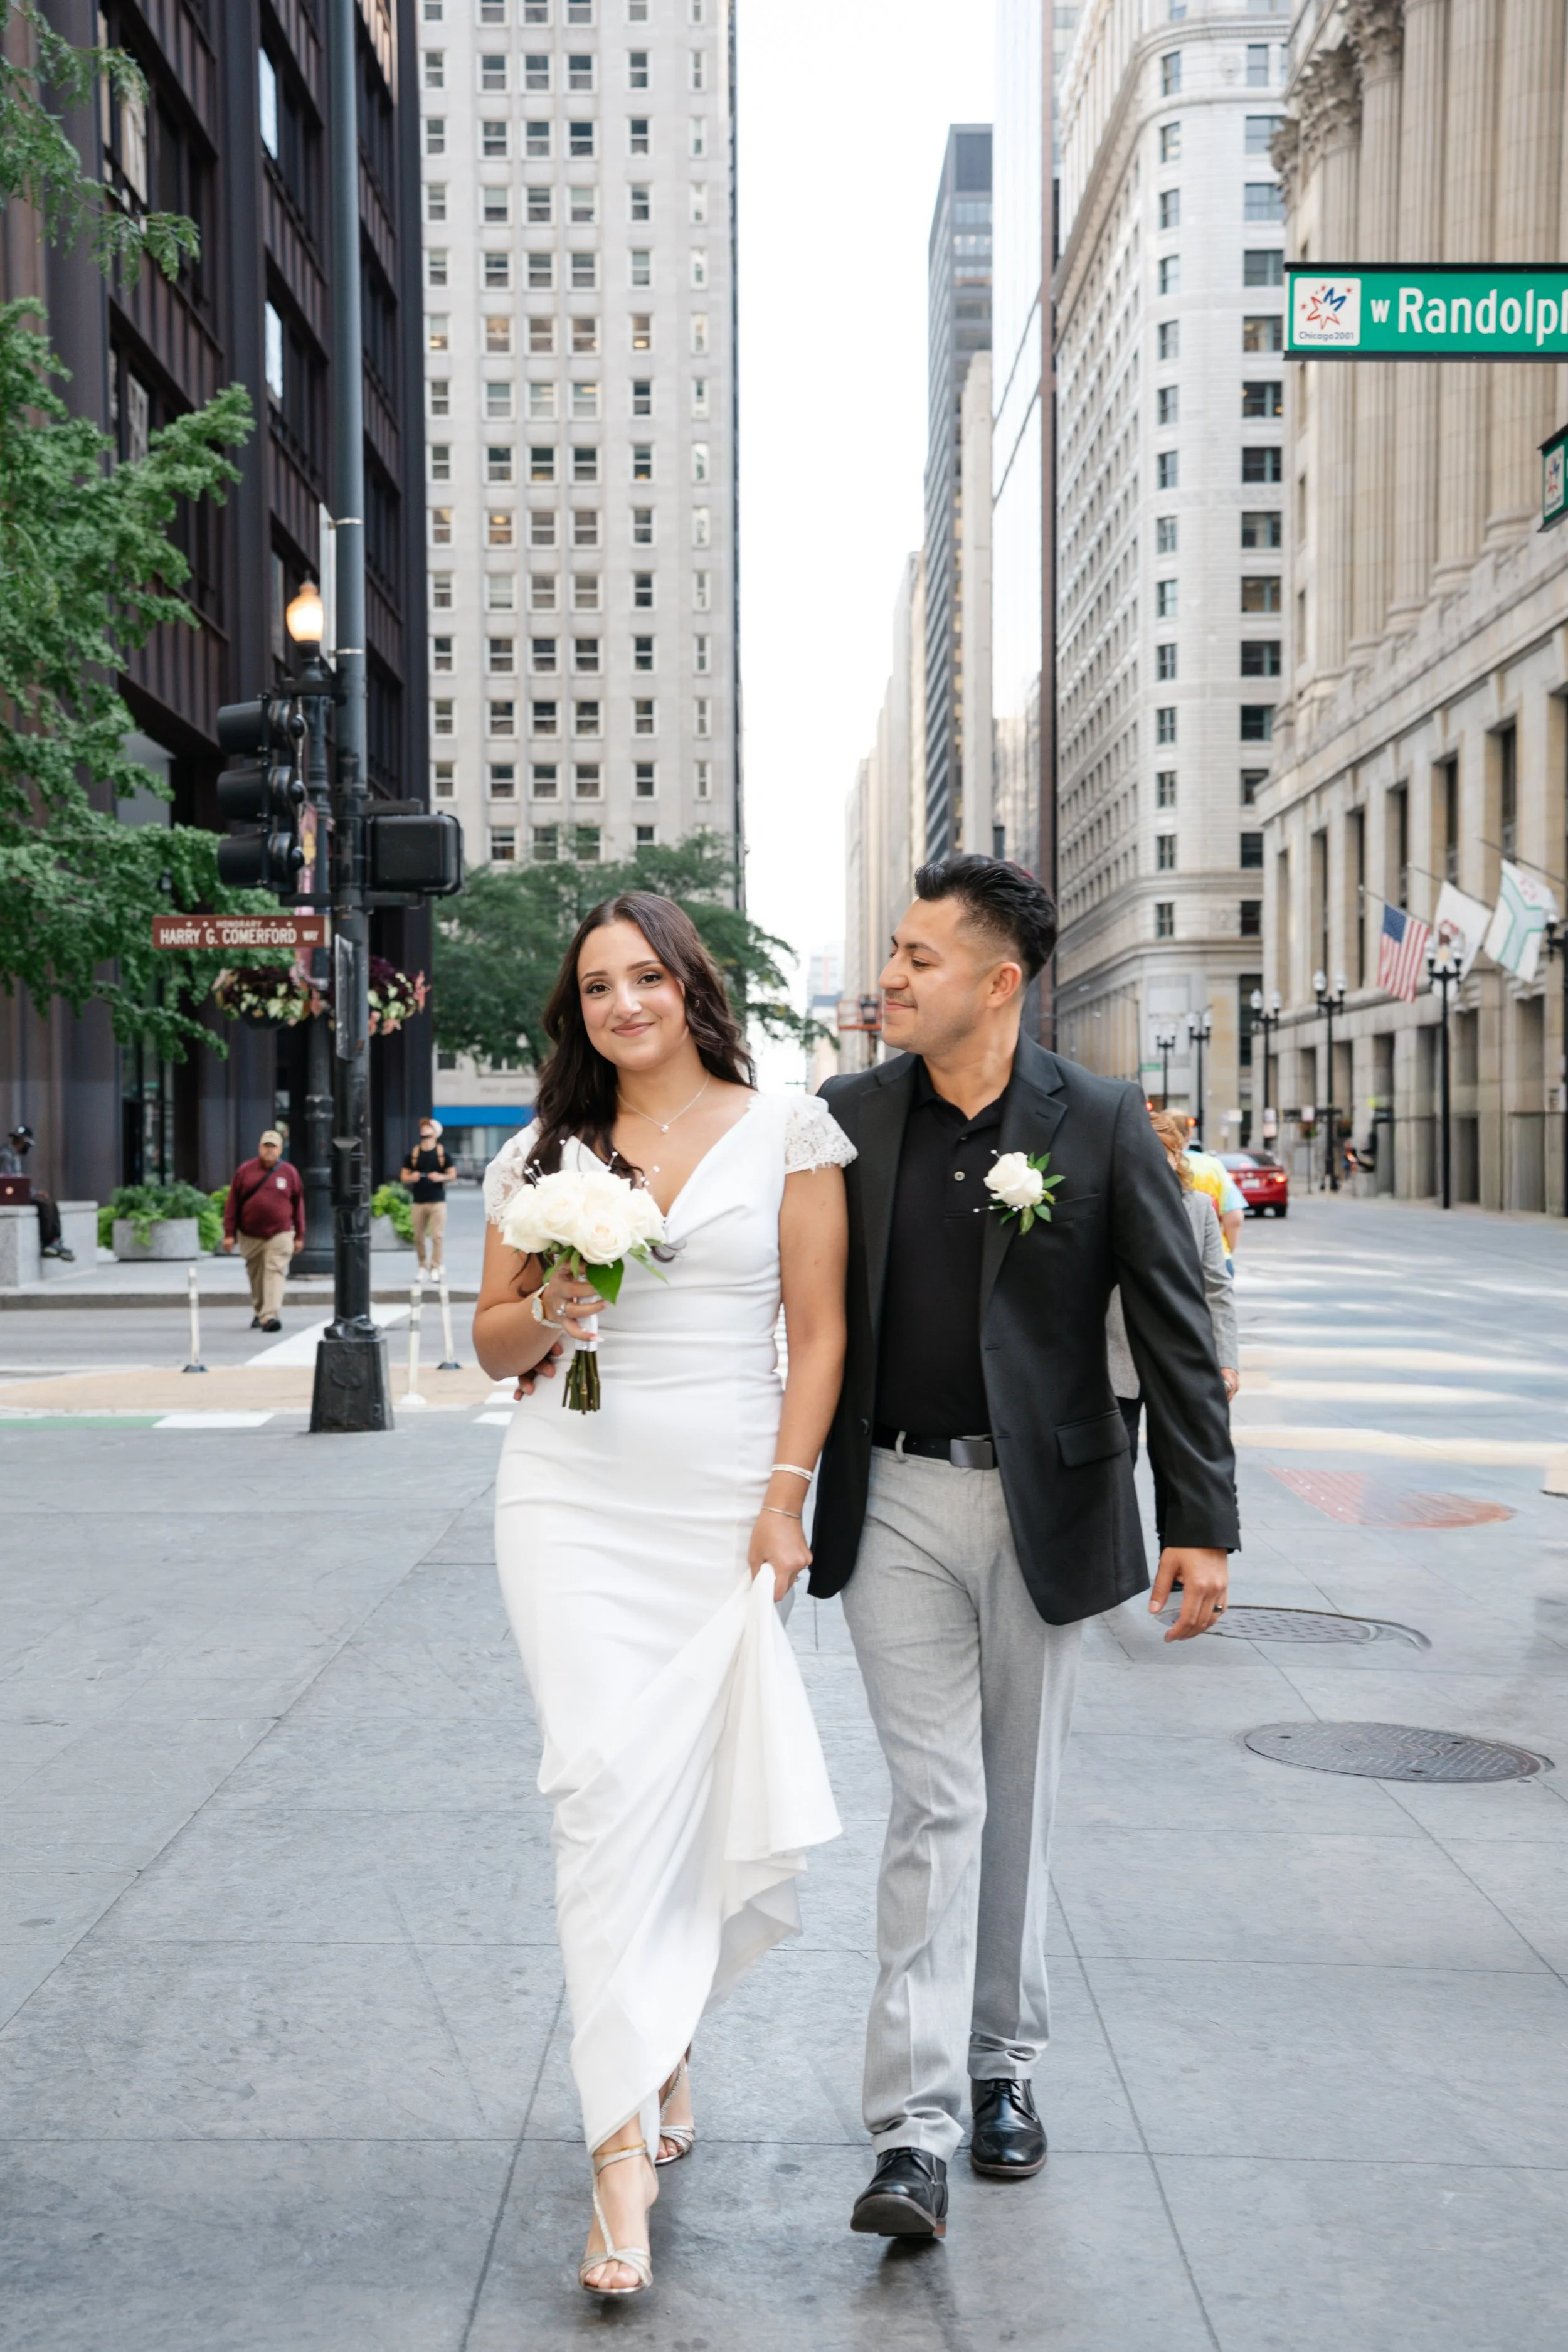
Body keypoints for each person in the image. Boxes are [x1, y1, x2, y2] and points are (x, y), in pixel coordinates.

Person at [812, 855, 1238, 2241]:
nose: (888, 977)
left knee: (1017, 1797)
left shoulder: (1101, 1121)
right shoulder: (844, 1119)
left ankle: (1004, 2070)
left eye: (918, 958)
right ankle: (914, 2130)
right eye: (889, 950)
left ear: (998, 984)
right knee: (934, 1805)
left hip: (1047, 1502)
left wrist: (1200, 1526)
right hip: (890, 1504)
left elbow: (1176, 1331)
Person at [473, 891, 849, 2299]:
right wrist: (556, 1303)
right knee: (596, 1793)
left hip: (717, 1501)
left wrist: (781, 1495)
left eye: (644, 976)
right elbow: (492, 1341)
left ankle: (664, 2039)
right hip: (567, 1498)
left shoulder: (789, 1132)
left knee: (682, 1803)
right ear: (574, 1015)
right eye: (595, 988)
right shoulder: (540, 1151)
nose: (622, 1003)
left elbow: (817, 1335)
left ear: (692, 984)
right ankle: (616, 2161)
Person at [1110, 1109, 1239, 1543]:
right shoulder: (1109, 1202)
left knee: (1180, 1469)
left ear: (1176, 1154)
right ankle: (1113, 1557)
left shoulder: (1198, 1207)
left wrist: (1226, 1361)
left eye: (1161, 1152)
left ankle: (1181, 1554)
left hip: (1179, 1360)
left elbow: (1217, 1287)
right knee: (1114, 1464)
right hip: (1114, 1358)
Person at [221, 1130, 304, 1331]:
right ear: (260, 1148)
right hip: (250, 1234)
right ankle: (261, 1311)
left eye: (273, 1147)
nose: (270, 1150)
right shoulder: (246, 1171)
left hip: (281, 1233)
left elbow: (298, 1204)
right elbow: (232, 1203)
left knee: (274, 1271)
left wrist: (300, 1235)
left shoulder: (290, 1173)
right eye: (266, 1146)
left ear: (281, 1149)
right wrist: (229, 1234)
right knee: (256, 1275)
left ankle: (270, 1316)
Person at [0, 1125, 73, 1259]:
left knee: (51, 1203)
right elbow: (10, 1182)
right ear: (24, 1143)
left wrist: (34, 1192)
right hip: (8, 1197)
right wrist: (33, 1194)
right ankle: (48, 1242)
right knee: (44, 1204)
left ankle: (55, 1240)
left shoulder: (13, 1155)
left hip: (14, 1194)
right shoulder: (6, 1155)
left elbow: (18, 1181)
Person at [400, 1115, 455, 1279]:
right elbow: (403, 1176)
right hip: (418, 1201)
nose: (424, 1130)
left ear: (436, 1133)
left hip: (437, 1200)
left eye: (428, 1127)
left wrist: (440, 1177)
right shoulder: (414, 1154)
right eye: (423, 1127)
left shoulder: (442, 1153)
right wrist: (412, 1177)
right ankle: (422, 1265)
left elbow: (452, 1175)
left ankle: (436, 1266)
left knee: (437, 1236)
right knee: (418, 1236)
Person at [1184, 1136, 1245, 1262]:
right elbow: (1234, 1218)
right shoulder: (1212, 1165)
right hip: (1212, 1255)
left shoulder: (1149, 1163)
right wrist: (1227, 1253)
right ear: (1187, 1137)